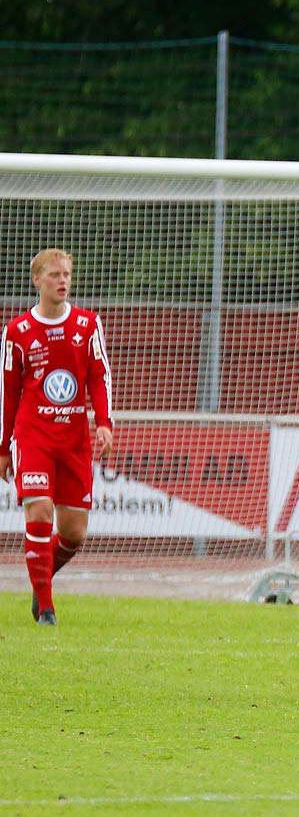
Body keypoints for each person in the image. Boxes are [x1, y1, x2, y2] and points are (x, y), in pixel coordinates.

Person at [1, 249, 115, 627]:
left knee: (74, 532)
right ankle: (46, 610)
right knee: (39, 513)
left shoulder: (87, 325)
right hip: (32, 436)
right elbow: (7, 393)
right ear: (37, 280)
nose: (62, 280)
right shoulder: (17, 332)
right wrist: (3, 448)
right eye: (54, 274)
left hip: (74, 440)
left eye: (66, 274)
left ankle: (41, 576)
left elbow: (98, 375)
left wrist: (104, 421)